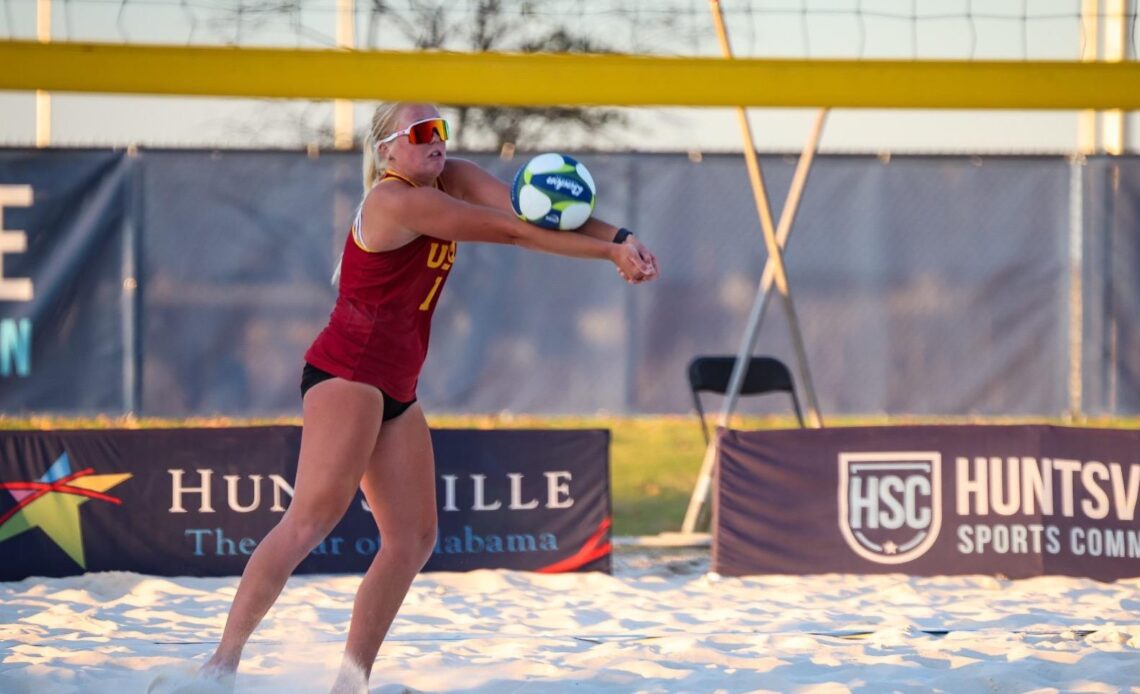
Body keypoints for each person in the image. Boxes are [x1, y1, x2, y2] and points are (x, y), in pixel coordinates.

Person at [198, 102, 658, 692]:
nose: (436, 140)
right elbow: (515, 231)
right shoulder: (395, 200)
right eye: (421, 133)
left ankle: (350, 679)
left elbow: (537, 213)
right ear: (388, 150)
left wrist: (622, 237)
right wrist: (609, 253)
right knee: (310, 520)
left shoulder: (454, 176)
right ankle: (220, 665)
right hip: (348, 372)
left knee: (413, 537)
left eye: (440, 129)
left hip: (396, 383)